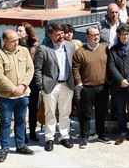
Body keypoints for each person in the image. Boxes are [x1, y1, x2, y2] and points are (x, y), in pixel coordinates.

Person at [0, 29, 35, 162]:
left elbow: (30, 69)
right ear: (5, 41)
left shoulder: (24, 51)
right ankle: (4, 148)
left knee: (21, 120)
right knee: (5, 122)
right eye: (13, 41)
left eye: (17, 40)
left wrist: (23, 86)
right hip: (6, 97)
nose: (17, 43)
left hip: (23, 95)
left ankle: (20, 145)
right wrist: (13, 89)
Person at [33, 23, 76, 151]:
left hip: (67, 85)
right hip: (50, 86)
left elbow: (73, 66)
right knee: (50, 113)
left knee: (65, 113)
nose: (61, 36)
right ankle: (49, 139)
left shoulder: (70, 46)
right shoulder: (43, 48)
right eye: (57, 34)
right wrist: (42, 86)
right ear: (50, 35)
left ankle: (64, 137)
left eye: (62, 33)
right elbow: (38, 69)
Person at [73, 26, 110, 148]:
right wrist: (79, 83)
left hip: (103, 87)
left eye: (98, 34)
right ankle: (84, 137)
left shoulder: (105, 49)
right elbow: (75, 69)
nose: (96, 37)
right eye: (93, 35)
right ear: (87, 37)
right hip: (87, 88)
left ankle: (101, 134)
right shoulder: (80, 52)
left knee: (101, 112)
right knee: (86, 113)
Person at [108, 24, 129, 146]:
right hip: (118, 86)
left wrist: (128, 80)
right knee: (121, 111)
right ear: (118, 35)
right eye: (122, 34)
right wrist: (121, 80)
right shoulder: (113, 50)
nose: (125, 36)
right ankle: (122, 133)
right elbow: (111, 67)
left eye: (127, 34)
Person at [17, 22, 40, 142]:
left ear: (27, 33)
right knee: (21, 109)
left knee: (33, 108)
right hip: (19, 81)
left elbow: (32, 64)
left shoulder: (34, 46)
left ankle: (32, 132)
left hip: (32, 81)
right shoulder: (15, 45)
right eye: (17, 30)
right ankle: (22, 134)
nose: (17, 33)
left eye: (20, 31)